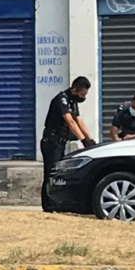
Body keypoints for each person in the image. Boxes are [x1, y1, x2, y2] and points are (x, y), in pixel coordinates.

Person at [41, 76, 96, 213]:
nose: (83, 97)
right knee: (51, 173)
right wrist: (83, 140)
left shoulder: (72, 101)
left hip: (60, 142)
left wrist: (90, 140)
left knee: (59, 172)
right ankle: (48, 204)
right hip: (51, 141)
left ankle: (56, 202)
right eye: (82, 94)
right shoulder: (62, 99)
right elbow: (70, 122)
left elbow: (79, 121)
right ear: (74, 89)